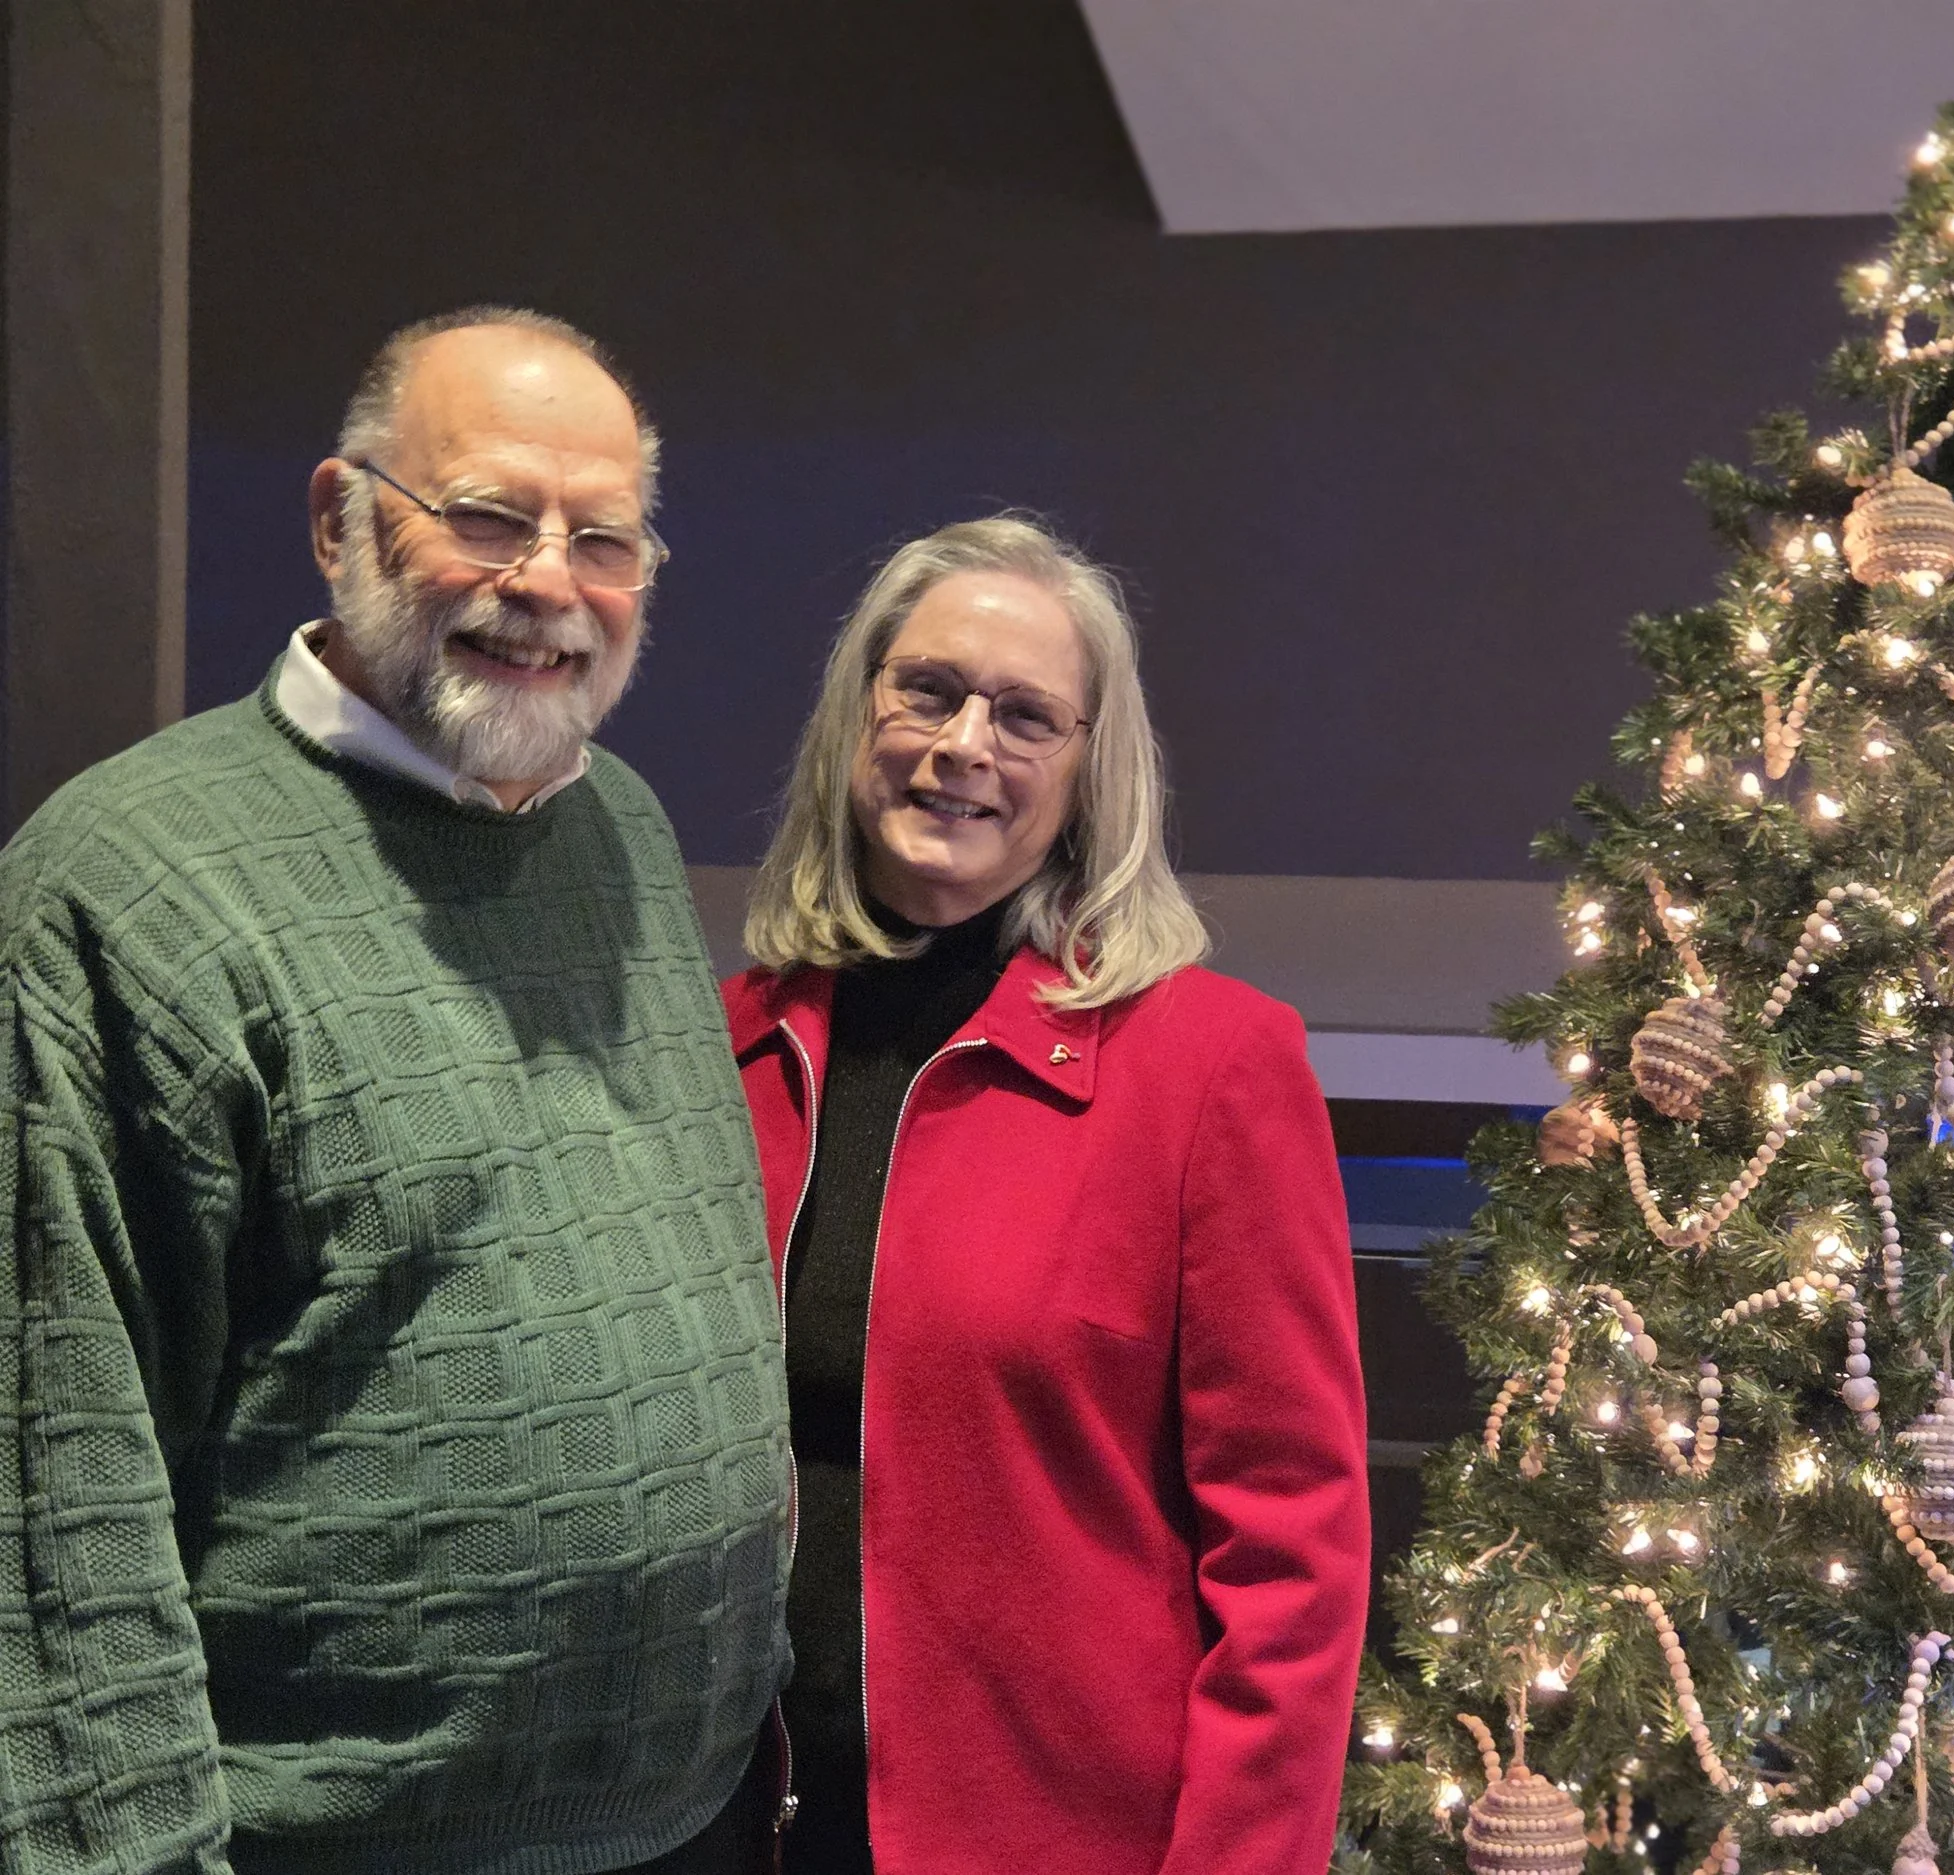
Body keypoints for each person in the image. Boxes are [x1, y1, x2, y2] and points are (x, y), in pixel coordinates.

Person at [0, 308, 790, 1873]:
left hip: (690, 1823)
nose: (548, 581)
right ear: (339, 517)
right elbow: (51, 1499)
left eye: (605, 538)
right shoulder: (123, 890)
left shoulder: (617, 826)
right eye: (488, 514)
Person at [724, 515, 1370, 1873]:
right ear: (858, 719)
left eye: (1027, 717)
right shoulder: (724, 1043)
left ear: (1088, 775)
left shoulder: (1211, 1069)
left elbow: (1293, 1567)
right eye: (930, 690)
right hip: (730, 1828)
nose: (966, 744)